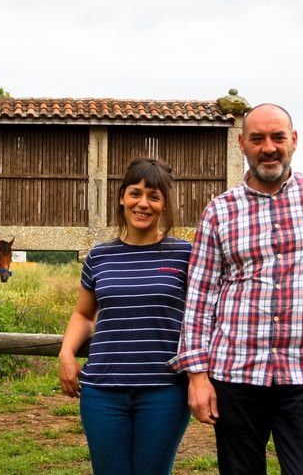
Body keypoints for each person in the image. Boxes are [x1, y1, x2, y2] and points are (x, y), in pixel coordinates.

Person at [169, 103, 303, 474]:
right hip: (236, 371)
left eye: (278, 137)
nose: (268, 147)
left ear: (294, 140)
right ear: (241, 143)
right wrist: (196, 374)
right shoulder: (219, 210)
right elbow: (200, 295)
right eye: (257, 138)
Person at [58, 156, 192, 475]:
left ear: (164, 204)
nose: (143, 203)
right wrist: (66, 353)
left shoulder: (186, 254)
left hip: (165, 391)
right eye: (135, 193)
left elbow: (203, 316)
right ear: (122, 197)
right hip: (102, 391)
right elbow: (84, 314)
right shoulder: (99, 256)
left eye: (153, 196)